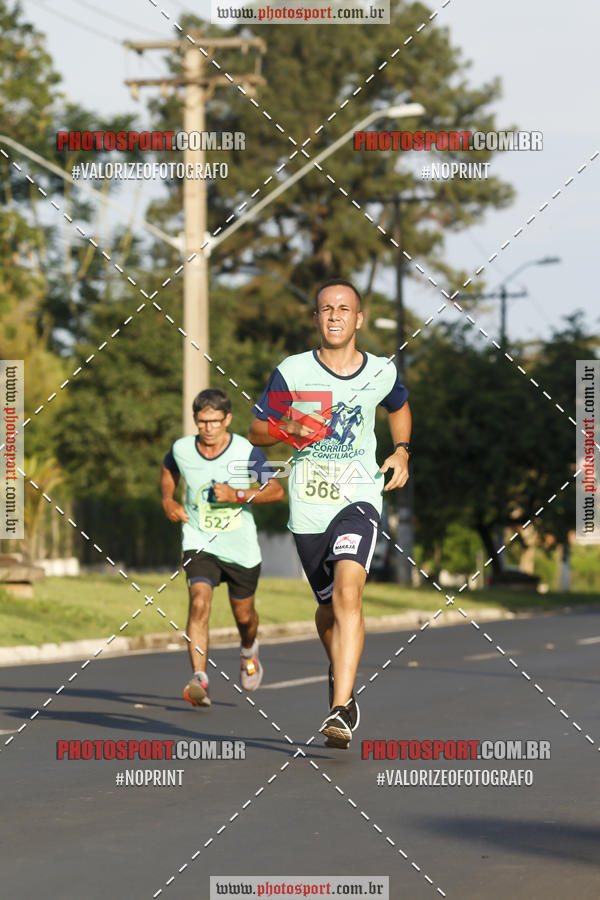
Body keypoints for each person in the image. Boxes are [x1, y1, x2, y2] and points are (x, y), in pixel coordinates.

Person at [248, 279, 410, 748]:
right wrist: (287, 425)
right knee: (327, 610)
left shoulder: (380, 371)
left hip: (359, 495)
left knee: (348, 591)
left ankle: (340, 708)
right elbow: (257, 429)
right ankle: (343, 673)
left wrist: (402, 450)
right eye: (326, 309)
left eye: (344, 308)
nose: (335, 315)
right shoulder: (294, 371)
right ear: (316, 318)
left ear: (359, 318)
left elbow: (399, 407)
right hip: (309, 505)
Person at [161, 388, 284, 708]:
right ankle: (199, 678)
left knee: (244, 617)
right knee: (199, 602)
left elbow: (275, 491)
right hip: (199, 539)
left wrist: (237, 495)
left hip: (240, 545)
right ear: (195, 421)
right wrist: (168, 499)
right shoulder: (182, 449)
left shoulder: (246, 451)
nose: (209, 428)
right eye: (202, 422)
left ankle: (248, 649)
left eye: (215, 421)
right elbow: (168, 470)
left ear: (227, 419)